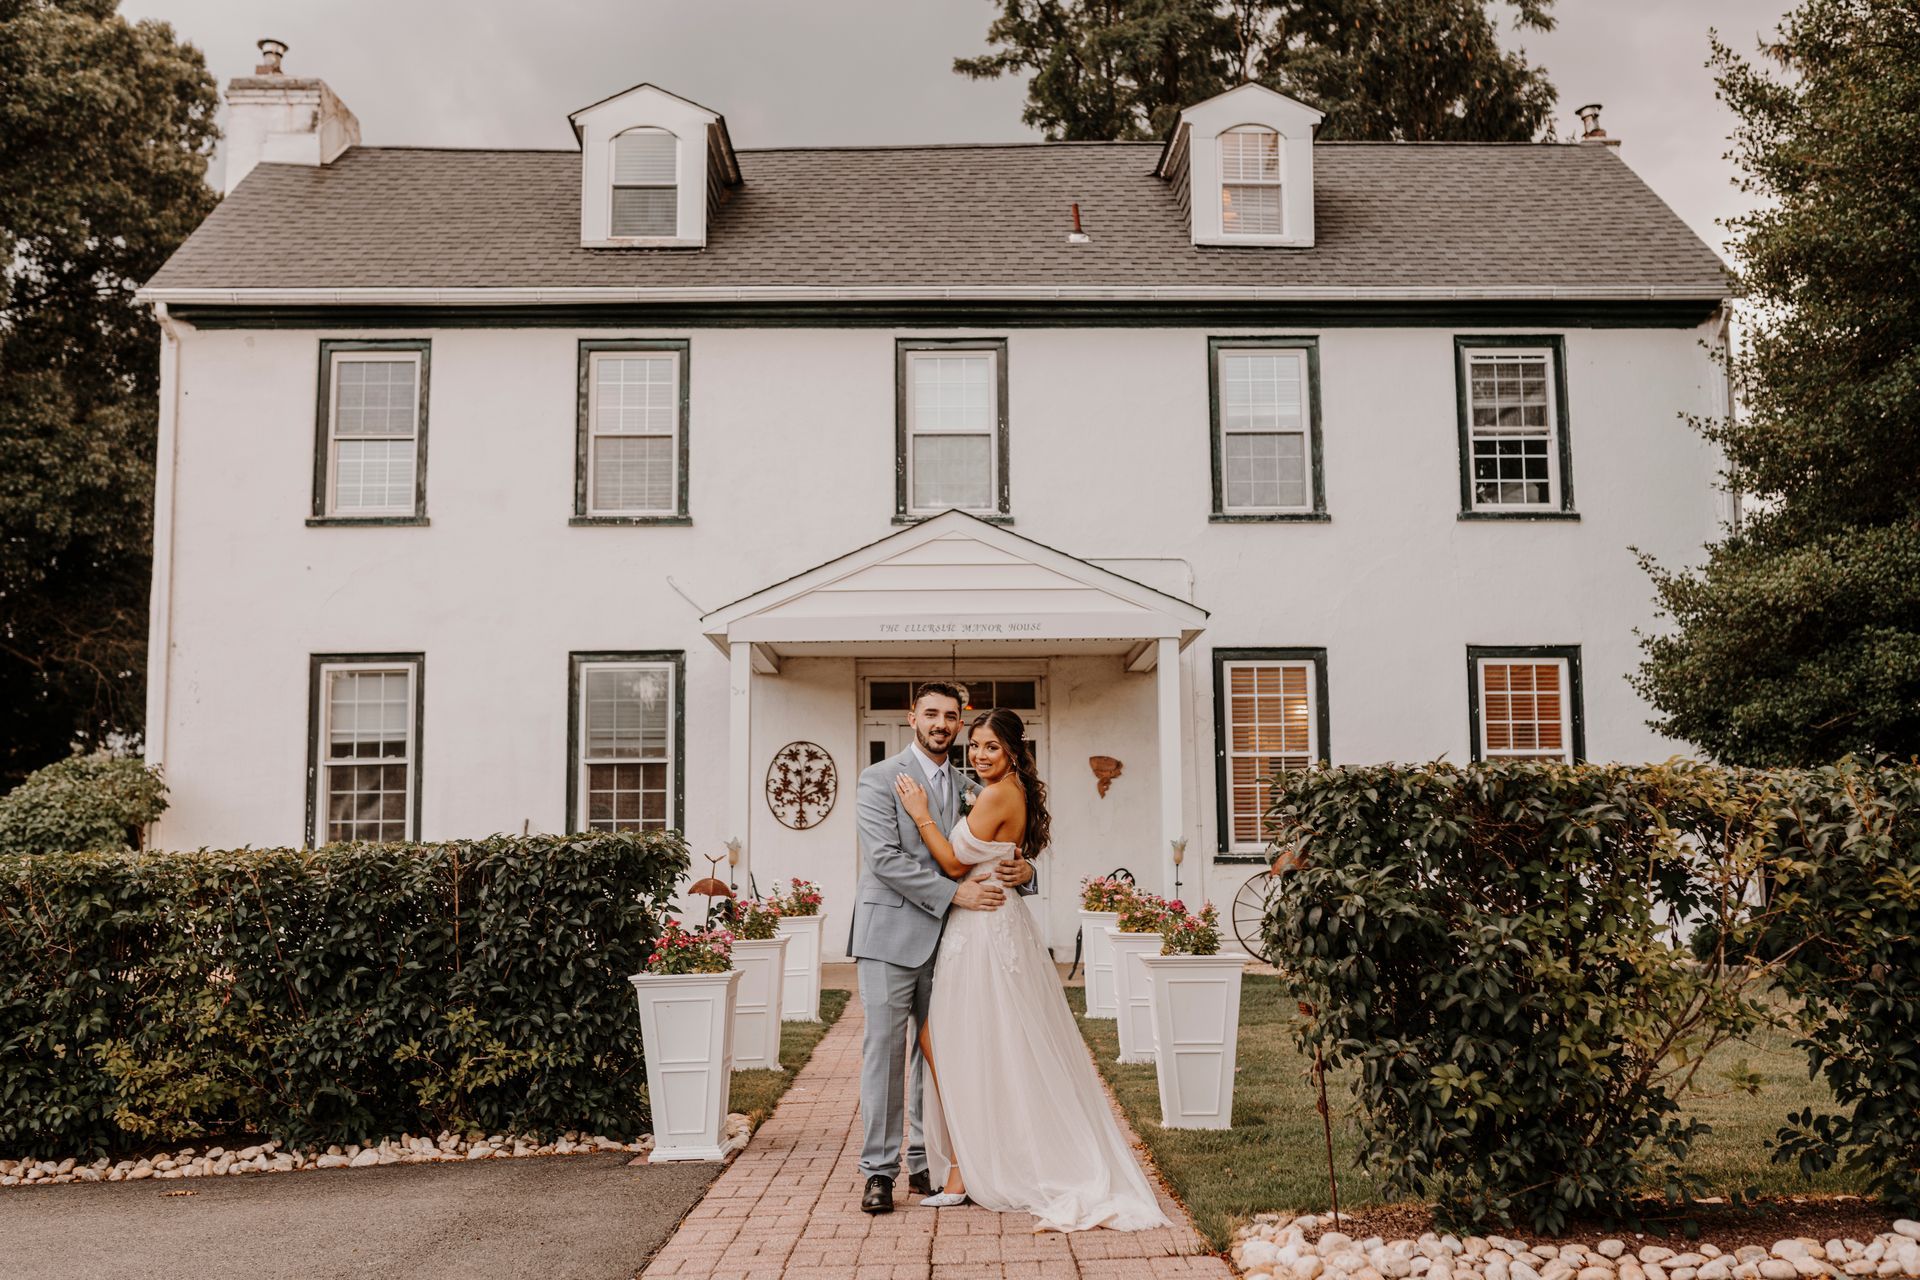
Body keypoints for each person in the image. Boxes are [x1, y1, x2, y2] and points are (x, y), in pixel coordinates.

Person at [894, 706, 1170, 1233]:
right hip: (989, 921)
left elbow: (954, 864)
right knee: (980, 1041)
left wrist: (920, 811)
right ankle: (966, 1169)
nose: (977, 754)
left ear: (1014, 753)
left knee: (951, 1041)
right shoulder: (1004, 790)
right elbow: (997, 853)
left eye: (990, 747)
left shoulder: (999, 792)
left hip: (983, 930)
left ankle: (966, 1172)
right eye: (973, 745)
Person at [849, 681, 1035, 1215]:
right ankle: (879, 1171)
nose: (941, 724)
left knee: (942, 1053)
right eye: (931, 713)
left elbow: (999, 844)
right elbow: (884, 860)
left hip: (955, 941)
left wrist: (1027, 870)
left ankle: (924, 1159)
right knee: (885, 1054)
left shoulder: (970, 781)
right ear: (912, 718)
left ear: (959, 723)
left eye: (950, 717)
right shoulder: (879, 779)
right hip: (891, 936)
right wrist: (956, 891)